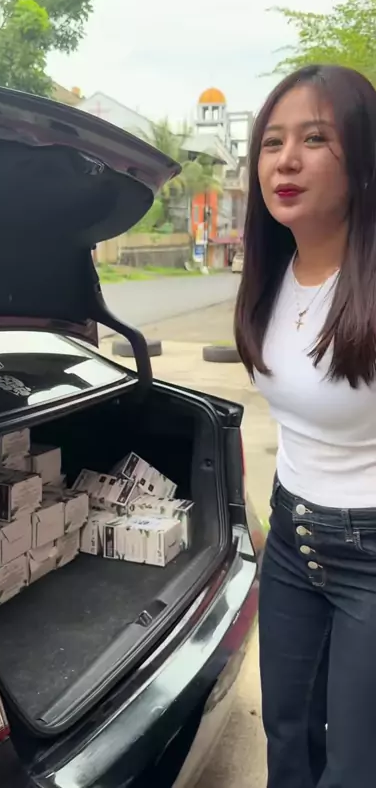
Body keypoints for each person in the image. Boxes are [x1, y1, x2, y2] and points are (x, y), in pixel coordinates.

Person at [234, 63, 376, 788]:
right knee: (287, 741)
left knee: (354, 767)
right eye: (272, 142)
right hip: (293, 541)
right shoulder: (272, 274)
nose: (285, 161)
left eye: (314, 139)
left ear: (362, 159)